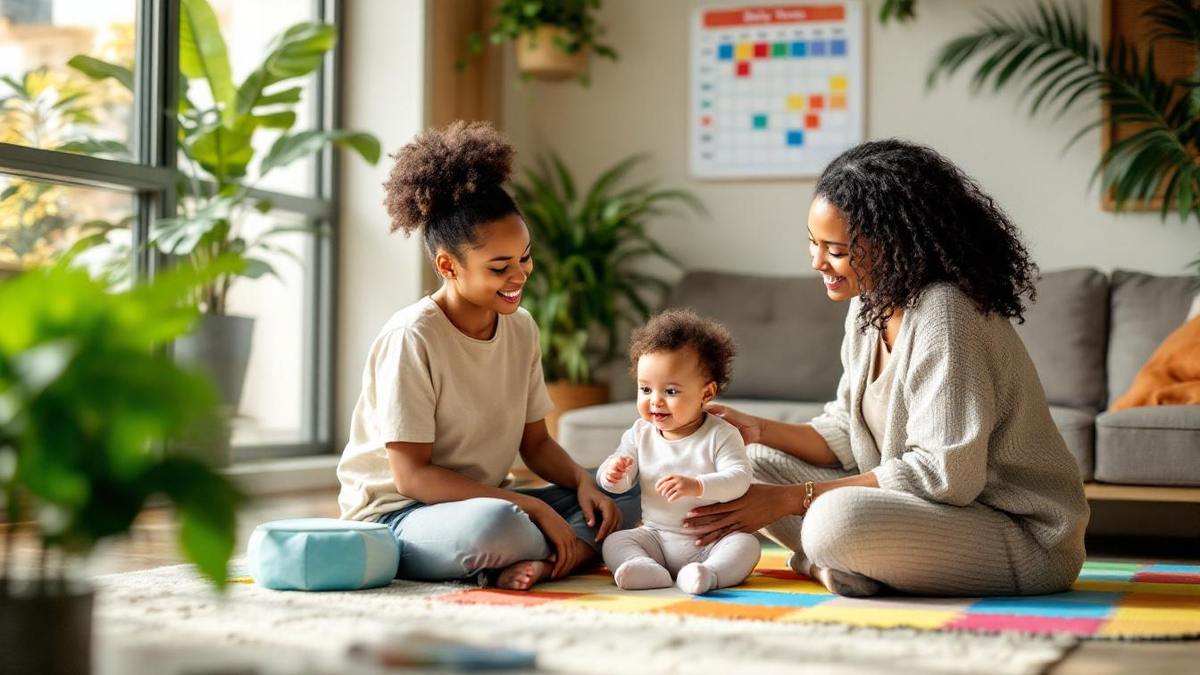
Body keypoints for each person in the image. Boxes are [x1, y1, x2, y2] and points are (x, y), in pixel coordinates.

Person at [684, 139, 1089, 597]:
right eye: (814, 243)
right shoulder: (868, 305)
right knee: (750, 464)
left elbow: (945, 475)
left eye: (835, 249)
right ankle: (837, 566)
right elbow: (845, 433)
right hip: (924, 511)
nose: (817, 262)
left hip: (1015, 534)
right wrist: (754, 429)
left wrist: (788, 499)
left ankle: (824, 559)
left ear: (892, 244)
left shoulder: (945, 314)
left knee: (832, 522)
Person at [336, 121, 639, 590]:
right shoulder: (412, 337)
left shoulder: (521, 328)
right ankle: (565, 549)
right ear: (447, 266)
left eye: (525, 257)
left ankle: (540, 559)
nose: (520, 275)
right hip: (403, 517)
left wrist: (582, 482)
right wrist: (534, 508)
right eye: (500, 267)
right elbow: (413, 477)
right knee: (496, 528)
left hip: (495, 500)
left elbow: (535, 444)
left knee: (634, 489)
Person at [597, 310, 761, 595]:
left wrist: (697, 485)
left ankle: (708, 574)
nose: (655, 401)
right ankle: (643, 567)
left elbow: (739, 479)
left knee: (746, 545)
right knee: (615, 542)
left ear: (706, 394)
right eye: (645, 389)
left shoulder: (721, 434)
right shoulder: (639, 434)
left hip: (709, 541)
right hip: (656, 537)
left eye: (671, 392)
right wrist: (612, 474)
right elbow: (619, 481)